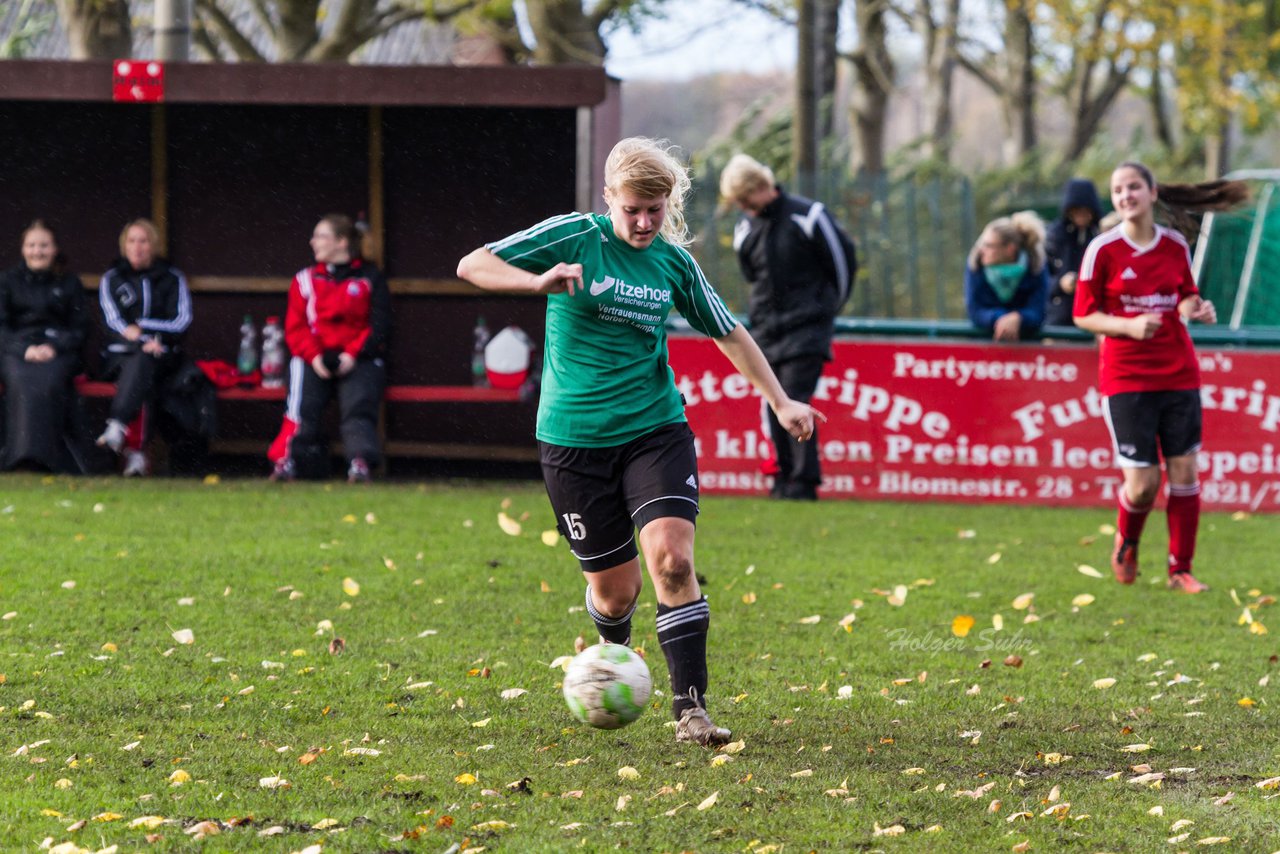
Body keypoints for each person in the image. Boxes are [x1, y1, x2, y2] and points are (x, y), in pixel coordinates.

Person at [456, 137, 821, 746]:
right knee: (614, 590)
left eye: (656, 208)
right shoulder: (575, 236)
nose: (645, 222)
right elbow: (472, 264)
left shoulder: (674, 263)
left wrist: (780, 400)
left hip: (655, 429)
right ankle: (613, 658)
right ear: (609, 200)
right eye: (633, 209)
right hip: (573, 440)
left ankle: (693, 712)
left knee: (674, 561)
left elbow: (728, 331)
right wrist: (535, 282)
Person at [1073, 161, 1248, 593]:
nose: (1125, 196)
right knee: (1144, 484)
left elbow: (1185, 297)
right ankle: (1127, 541)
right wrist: (1128, 327)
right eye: (1117, 190)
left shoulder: (1174, 245)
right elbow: (1083, 314)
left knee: (1185, 470)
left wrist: (1197, 309)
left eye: (1133, 187)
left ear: (1152, 193)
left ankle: (1180, 570)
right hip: (1127, 377)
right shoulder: (1102, 250)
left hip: (1178, 372)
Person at [719, 153, 856, 501]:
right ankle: (781, 476)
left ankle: (803, 481)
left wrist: (824, 310)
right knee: (773, 398)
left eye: (746, 200)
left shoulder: (809, 215)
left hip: (807, 328)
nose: (744, 208)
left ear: (761, 187)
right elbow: (751, 275)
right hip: (766, 328)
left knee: (795, 395)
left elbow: (843, 265)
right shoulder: (745, 227)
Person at [271, 214, 391, 483]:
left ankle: (359, 464)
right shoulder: (304, 279)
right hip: (314, 358)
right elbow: (296, 328)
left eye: (321, 236)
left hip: (359, 357)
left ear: (341, 242)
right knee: (302, 407)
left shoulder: (370, 278)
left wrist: (352, 354)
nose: (313, 242)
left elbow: (379, 325)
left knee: (358, 407)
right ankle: (288, 461)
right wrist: (314, 358)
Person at [97, 218, 210, 476]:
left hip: (162, 356)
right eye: (132, 241)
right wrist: (141, 339)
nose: (137, 247)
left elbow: (181, 321)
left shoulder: (172, 278)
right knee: (141, 364)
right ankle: (135, 451)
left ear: (154, 246)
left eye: (144, 241)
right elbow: (113, 321)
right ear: (124, 246)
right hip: (119, 357)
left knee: (145, 366)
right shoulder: (112, 278)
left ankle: (120, 428)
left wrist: (145, 330)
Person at [0, 220, 90, 472]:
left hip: (58, 352)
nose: (37, 251)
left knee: (49, 381)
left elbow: (80, 327)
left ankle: (47, 459)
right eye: (31, 245)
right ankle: (18, 457)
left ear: (54, 249)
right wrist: (23, 350)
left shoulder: (70, 283)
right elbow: (1, 327)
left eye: (43, 245)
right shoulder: (7, 281)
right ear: (22, 249)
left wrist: (54, 347)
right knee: (19, 379)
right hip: (15, 351)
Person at [965, 211, 1050, 341]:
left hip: (1027, 349)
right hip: (985, 346)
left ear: (1010, 249)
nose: (981, 250)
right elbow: (975, 311)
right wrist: (1000, 318)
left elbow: (1039, 312)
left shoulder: (1036, 266)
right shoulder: (976, 265)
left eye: (989, 245)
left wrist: (1018, 318)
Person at [1044, 178, 1104, 327]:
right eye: (1076, 210)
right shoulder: (1054, 236)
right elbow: (1041, 277)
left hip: (1094, 316)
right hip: (1059, 316)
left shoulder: (1100, 235)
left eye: (1085, 210)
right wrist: (1060, 284)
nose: (1081, 215)